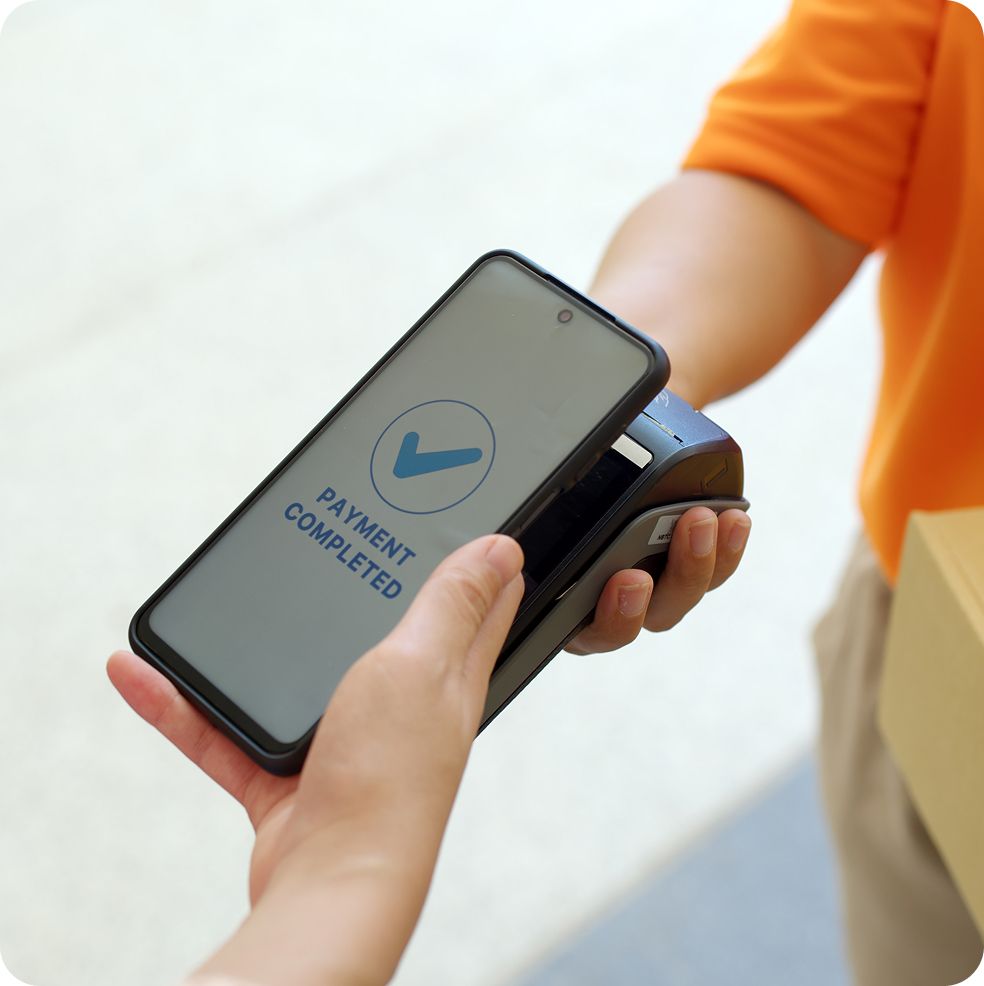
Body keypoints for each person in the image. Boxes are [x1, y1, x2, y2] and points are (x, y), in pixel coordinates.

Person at [111, 0, 983, 983]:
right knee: (914, 935)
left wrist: (345, 872)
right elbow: (801, 156)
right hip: (938, 614)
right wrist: (603, 384)